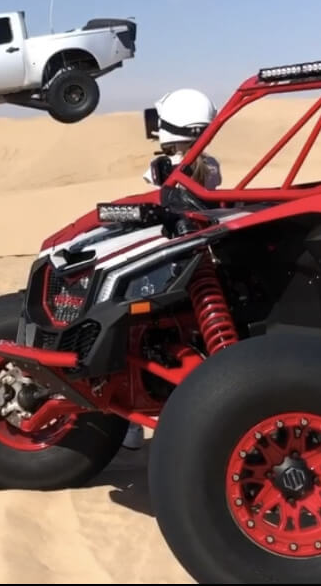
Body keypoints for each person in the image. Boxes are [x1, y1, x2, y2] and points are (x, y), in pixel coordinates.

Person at [123, 88, 222, 450]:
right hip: (206, 253)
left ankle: (132, 426)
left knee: (142, 336)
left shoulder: (156, 170)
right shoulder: (211, 167)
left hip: (168, 259)